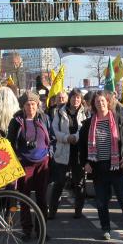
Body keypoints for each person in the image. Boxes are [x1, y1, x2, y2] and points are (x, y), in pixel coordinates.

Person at [79, 91, 123, 241]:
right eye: (97, 101)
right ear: (94, 104)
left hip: (116, 166)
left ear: (108, 102)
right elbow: (81, 146)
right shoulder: (88, 124)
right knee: (101, 201)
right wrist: (85, 163)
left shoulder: (119, 120)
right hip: (98, 168)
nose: (100, 104)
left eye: (103, 101)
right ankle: (105, 228)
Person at [8, 92, 53, 235]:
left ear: (37, 104)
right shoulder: (16, 121)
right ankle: (27, 230)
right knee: (25, 198)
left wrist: (49, 152)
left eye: (33, 104)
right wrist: (16, 158)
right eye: (28, 104)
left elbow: (52, 137)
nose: (31, 107)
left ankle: (42, 231)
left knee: (42, 198)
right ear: (23, 106)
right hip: (24, 163)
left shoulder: (44, 118)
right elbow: (10, 142)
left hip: (42, 163)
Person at [49, 88, 88, 219]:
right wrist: (66, 138)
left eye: (78, 97)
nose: (75, 100)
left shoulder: (85, 112)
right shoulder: (60, 112)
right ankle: (52, 210)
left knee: (79, 182)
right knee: (59, 182)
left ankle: (78, 210)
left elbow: (85, 128)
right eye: (73, 97)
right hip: (63, 151)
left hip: (78, 152)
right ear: (69, 98)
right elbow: (54, 130)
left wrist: (76, 137)